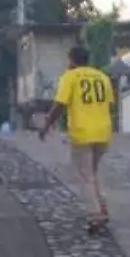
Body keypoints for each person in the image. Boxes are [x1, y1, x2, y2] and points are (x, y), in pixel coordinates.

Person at [39, 46, 115, 228]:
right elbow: (111, 104)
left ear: (72, 60)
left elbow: (60, 104)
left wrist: (47, 124)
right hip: (103, 132)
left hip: (82, 133)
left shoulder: (70, 77)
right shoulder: (102, 77)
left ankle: (95, 213)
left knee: (84, 174)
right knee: (92, 172)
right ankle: (102, 207)